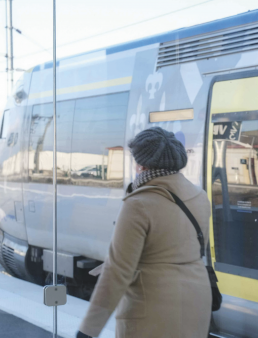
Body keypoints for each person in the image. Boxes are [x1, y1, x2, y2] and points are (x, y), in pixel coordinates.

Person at [77, 127, 212, 338]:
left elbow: (117, 273)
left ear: (141, 165)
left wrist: (87, 331)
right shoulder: (200, 196)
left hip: (152, 308)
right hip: (197, 302)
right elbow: (196, 249)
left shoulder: (139, 204)